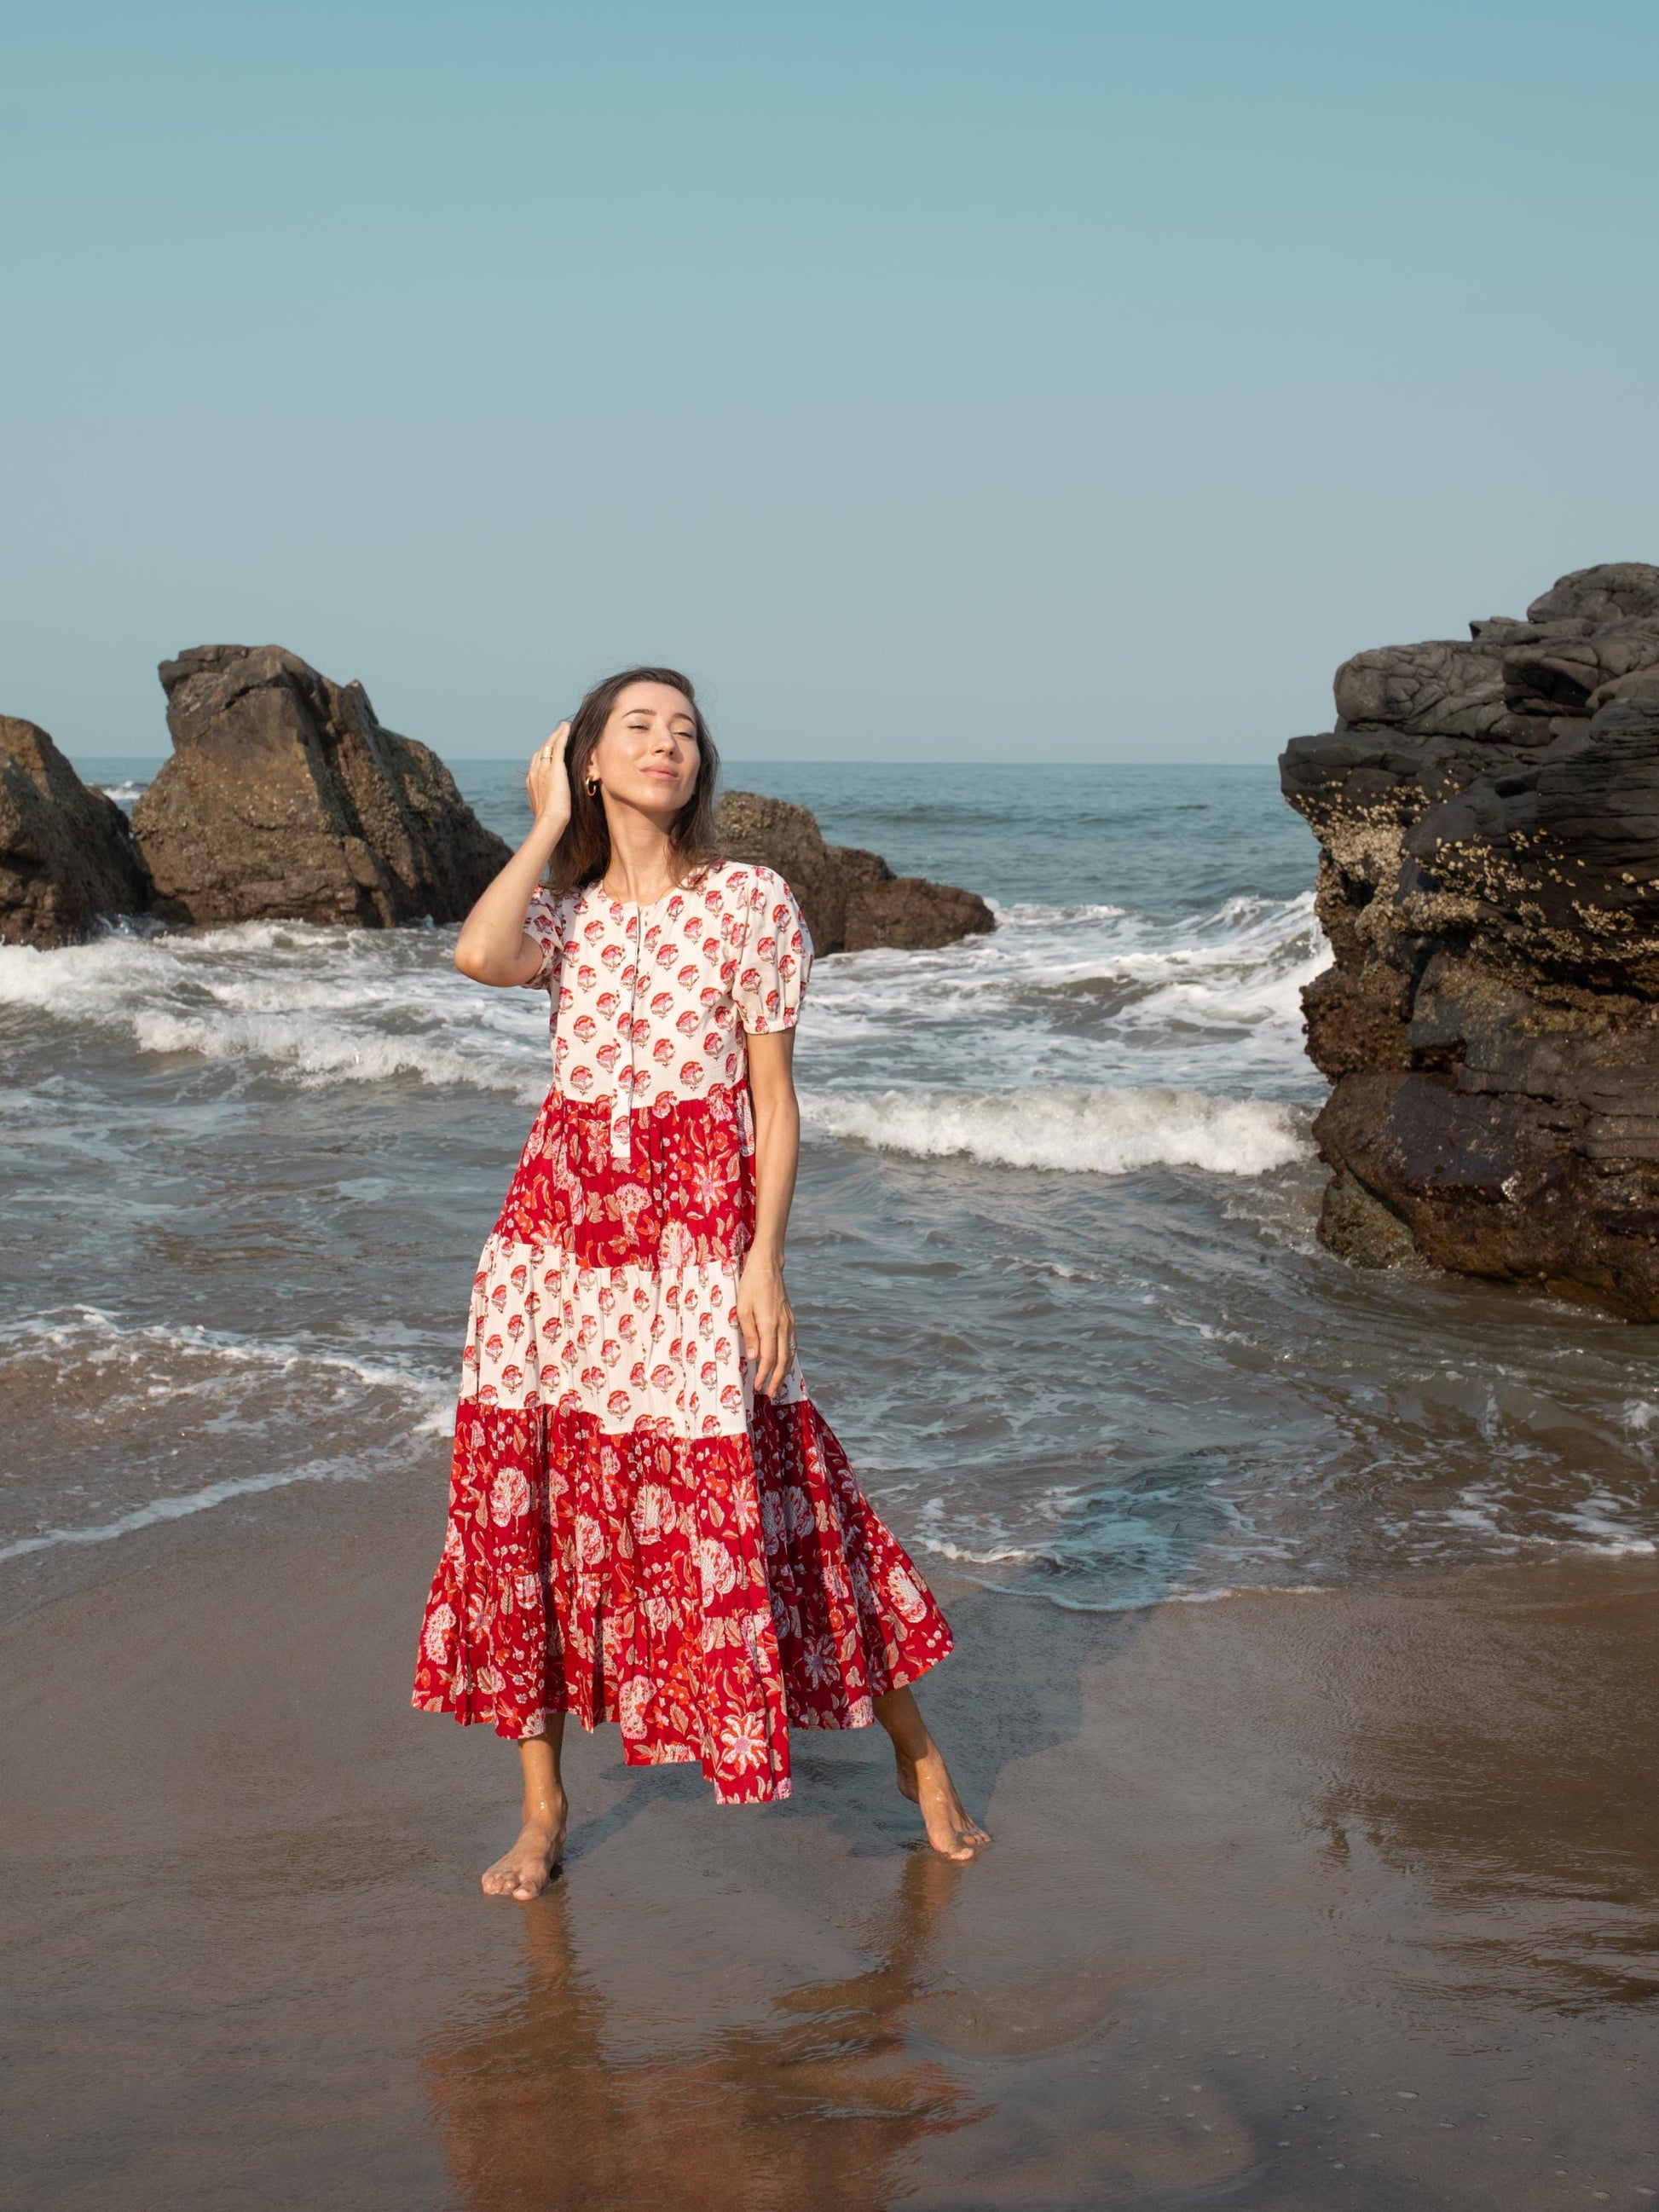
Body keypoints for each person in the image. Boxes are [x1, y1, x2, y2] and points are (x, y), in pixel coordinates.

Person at [413, 667, 987, 1896]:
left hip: (693, 1234)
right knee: (539, 1495)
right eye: (638, 726)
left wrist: (762, 1264)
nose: (667, 743)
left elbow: (775, 1106)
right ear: (588, 755)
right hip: (551, 1238)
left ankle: (919, 1757)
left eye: (684, 728)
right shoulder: (563, 914)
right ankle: (542, 1805)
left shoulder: (748, 901)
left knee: (775, 1481)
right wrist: (547, 825)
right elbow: (475, 953)